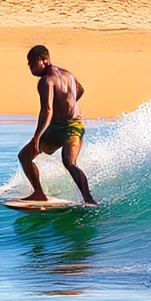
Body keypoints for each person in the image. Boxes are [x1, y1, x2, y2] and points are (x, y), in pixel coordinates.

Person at [16, 44, 96, 204]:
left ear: (42, 60)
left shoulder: (46, 81)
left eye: (31, 63)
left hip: (65, 128)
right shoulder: (68, 74)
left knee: (26, 156)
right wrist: (68, 106)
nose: (29, 66)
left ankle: (39, 193)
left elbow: (47, 109)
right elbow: (80, 90)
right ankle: (89, 200)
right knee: (69, 162)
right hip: (75, 125)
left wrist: (36, 137)